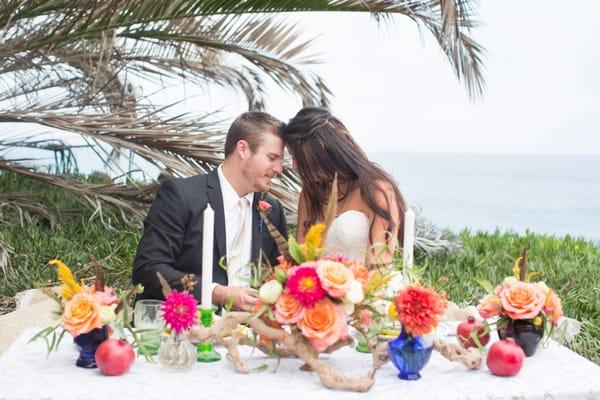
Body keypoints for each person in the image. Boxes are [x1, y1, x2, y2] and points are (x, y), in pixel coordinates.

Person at [132, 112, 288, 311]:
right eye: (272, 158)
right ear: (243, 149)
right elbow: (148, 269)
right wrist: (215, 293)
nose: (278, 169)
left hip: (247, 337)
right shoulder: (182, 196)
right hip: (183, 331)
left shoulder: (273, 211)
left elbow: (279, 278)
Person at [283, 107, 406, 267]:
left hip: (367, 288)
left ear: (319, 148)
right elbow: (300, 261)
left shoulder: (376, 191)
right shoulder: (309, 195)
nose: (294, 165)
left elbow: (380, 263)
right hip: (316, 289)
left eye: (296, 156)